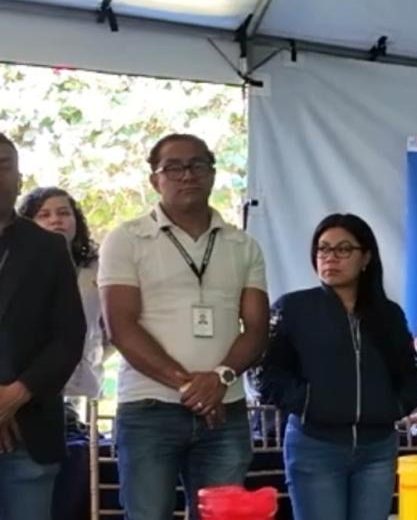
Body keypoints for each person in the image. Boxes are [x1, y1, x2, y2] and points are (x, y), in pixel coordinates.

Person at [99, 133, 269, 519]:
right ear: (154, 179)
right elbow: (121, 326)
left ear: (212, 174)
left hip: (225, 408)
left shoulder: (243, 245)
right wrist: (191, 387)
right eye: (173, 168)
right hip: (149, 409)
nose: (187, 175)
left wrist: (220, 378)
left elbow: (257, 329)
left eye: (197, 165)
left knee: (223, 516)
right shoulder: (126, 239)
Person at [255, 213, 417, 520]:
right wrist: (308, 402)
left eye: (343, 249)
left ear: (365, 258)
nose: (330, 257)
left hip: (377, 448)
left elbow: (409, 373)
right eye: (323, 249)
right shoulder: (293, 308)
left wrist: (395, 406)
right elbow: (266, 375)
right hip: (315, 446)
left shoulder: (388, 314)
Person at [0, 133, 87, 520]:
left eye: (3, 165)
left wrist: (14, 396)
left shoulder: (48, 248)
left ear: (19, 178)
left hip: (30, 428)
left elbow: (68, 337)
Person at [19, 187, 112, 402]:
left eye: (63, 213)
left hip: (84, 388)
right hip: (29, 388)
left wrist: (92, 353)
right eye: (44, 215)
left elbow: (114, 327)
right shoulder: (18, 268)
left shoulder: (98, 268)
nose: (55, 220)